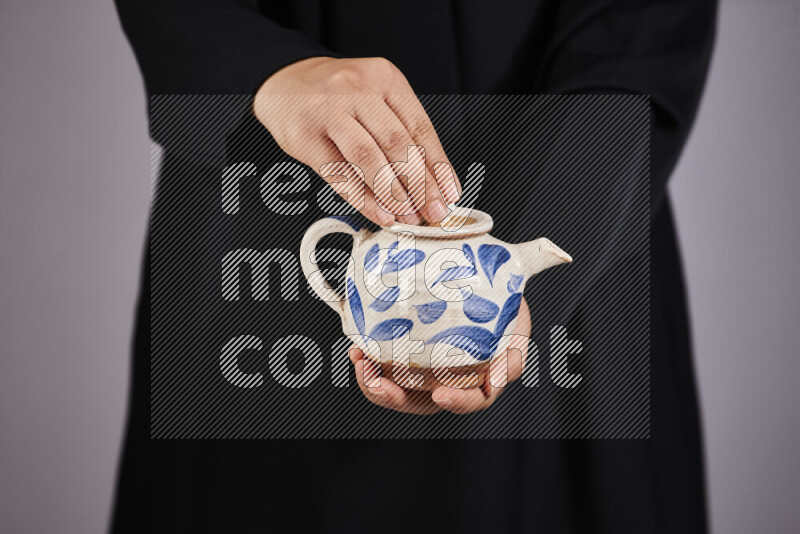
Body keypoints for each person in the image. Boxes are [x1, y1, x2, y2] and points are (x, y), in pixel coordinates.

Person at [112, 1, 716, 532]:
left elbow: (640, 30)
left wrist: (534, 247)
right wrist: (268, 70)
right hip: (257, 198)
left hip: (582, 213)